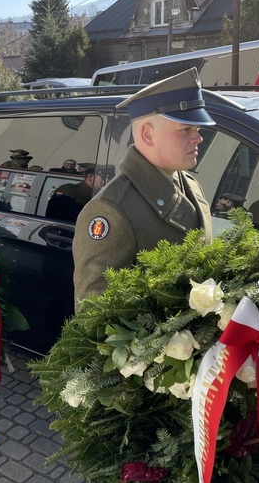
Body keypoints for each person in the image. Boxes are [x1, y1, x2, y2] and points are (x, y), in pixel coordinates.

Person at [72, 68, 214, 307]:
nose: (198, 138)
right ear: (148, 134)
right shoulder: (111, 211)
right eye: (185, 130)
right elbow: (94, 316)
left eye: (198, 129)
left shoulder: (189, 184)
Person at [46, 166, 110, 221]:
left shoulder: (104, 196)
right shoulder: (70, 191)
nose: (107, 180)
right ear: (90, 177)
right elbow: (56, 220)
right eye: (103, 177)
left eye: (110, 178)